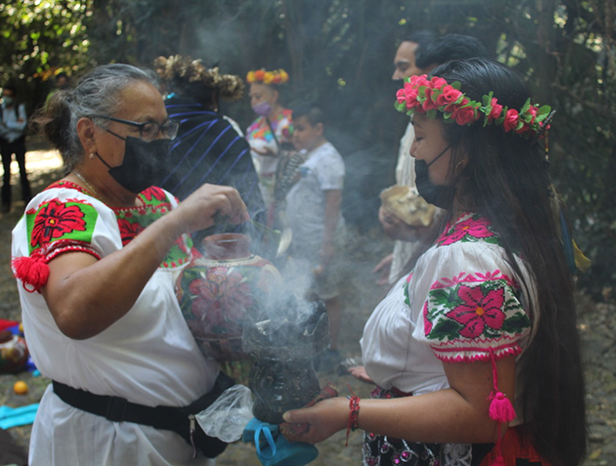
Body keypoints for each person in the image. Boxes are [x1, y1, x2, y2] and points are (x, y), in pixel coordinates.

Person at [282, 58, 587, 466]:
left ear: (466, 151)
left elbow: (478, 413)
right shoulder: (519, 227)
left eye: (421, 136)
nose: (414, 150)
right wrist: (407, 371)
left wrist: (348, 412)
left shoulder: (467, 259)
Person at [11, 64, 248, 465]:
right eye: (145, 128)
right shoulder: (59, 208)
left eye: (165, 128)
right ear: (89, 133)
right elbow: (75, 311)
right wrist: (176, 223)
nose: (160, 141)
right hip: (106, 445)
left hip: (175, 441)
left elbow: (173, 307)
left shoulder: (159, 201)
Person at [376, 32, 488, 287]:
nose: (396, 76)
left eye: (404, 67)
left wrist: (422, 235)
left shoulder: (476, 253)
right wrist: (403, 258)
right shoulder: (418, 126)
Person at [153, 55, 263, 223]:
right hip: (209, 233)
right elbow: (248, 197)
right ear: (213, 96)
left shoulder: (150, 124)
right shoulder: (225, 132)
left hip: (146, 224)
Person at [285, 103, 346, 361]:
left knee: (328, 295)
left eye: (301, 128)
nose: (296, 135)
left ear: (318, 129)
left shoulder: (329, 158)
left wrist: (327, 243)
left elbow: (333, 201)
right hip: (305, 239)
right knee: (309, 292)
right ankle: (313, 347)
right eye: (294, 129)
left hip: (322, 238)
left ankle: (331, 352)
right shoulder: (307, 154)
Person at [245, 68, 293, 209]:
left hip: (282, 191)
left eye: (258, 97)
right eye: (251, 97)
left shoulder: (290, 121)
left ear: (274, 96)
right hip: (259, 190)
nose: (253, 102)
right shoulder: (254, 126)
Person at [0, 84, 31, 212]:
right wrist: (14, 125)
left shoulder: (19, 108)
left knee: (23, 171)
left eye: (9, 95)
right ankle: (6, 202)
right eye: (5, 95)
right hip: (5, 143)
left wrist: (7, 124)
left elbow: (22, 126)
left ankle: (27, 199)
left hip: (18, 142)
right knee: (6, 173)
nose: (6, 98)